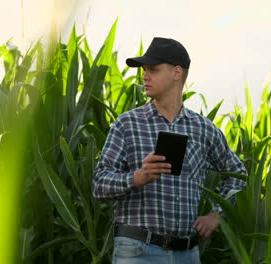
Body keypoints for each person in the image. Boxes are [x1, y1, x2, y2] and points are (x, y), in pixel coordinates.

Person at [93, 37, 247, 264]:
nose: (145, 76)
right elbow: (98, 185)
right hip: (137, 251)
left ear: (177, 73)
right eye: (144, 70)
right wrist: (137, 177)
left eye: (153, 69)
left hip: (188, 253)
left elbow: (239, 176)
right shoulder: (127, 124)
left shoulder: (203, 129)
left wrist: (216, 215)